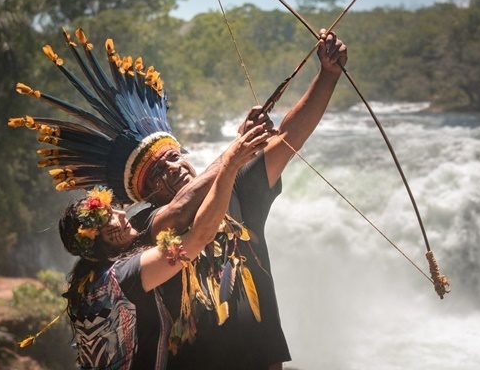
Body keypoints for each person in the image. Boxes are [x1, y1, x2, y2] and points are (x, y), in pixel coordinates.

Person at [130, 28, 348, 370]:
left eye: (173, 157)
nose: (171, 169)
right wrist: (236, 150)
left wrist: (328, 76)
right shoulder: (144, 227)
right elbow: (182, 209)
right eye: (156, 174)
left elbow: (289, 137)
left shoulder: (238, 186)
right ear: (146, 196)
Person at [57, 124, 270, 369]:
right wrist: (231, 164)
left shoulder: (89, 283)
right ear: (97, 241)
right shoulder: (122, 277)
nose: (122, 215)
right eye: (108, 219)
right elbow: (198, 237)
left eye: (113, 208)